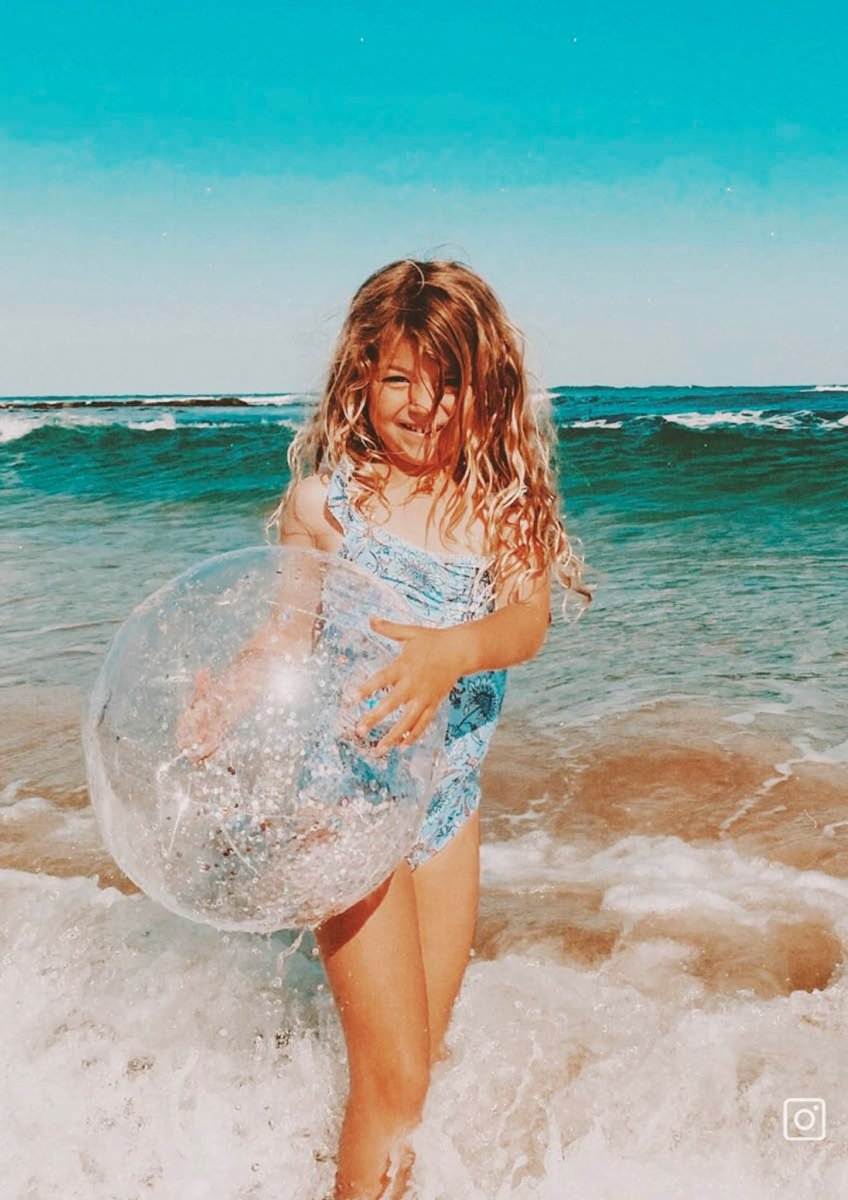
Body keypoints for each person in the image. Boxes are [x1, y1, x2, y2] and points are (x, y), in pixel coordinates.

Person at [272, 259, 589, 1199]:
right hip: (347, 806)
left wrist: (453, 651)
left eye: (447, 381)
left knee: (418, 1072)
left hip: (446, 812)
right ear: (360, 379)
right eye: (399, 378)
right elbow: (282, 638)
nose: (422, 404)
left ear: (486, 387)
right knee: (394, 1076)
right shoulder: (325, 509)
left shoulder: (504, 510)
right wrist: (227, 691)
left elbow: (524, 625)